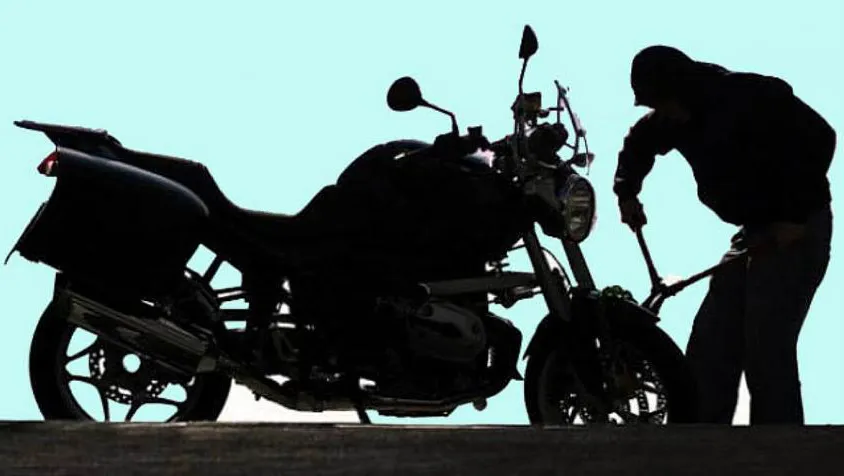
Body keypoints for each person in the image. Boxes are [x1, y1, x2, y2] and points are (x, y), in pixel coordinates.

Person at [613, 45, 836, 424]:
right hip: (753, 232)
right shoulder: (673, 117)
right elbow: (641, 141)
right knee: (712, 341)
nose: (662, 113)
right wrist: (626, 192)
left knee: (766, 343)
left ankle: (779, 447)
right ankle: (699, 441)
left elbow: (820, 137)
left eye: (663, 103)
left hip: (797, 231)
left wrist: (794, 217)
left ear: (680, 89)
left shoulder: (747, 97)